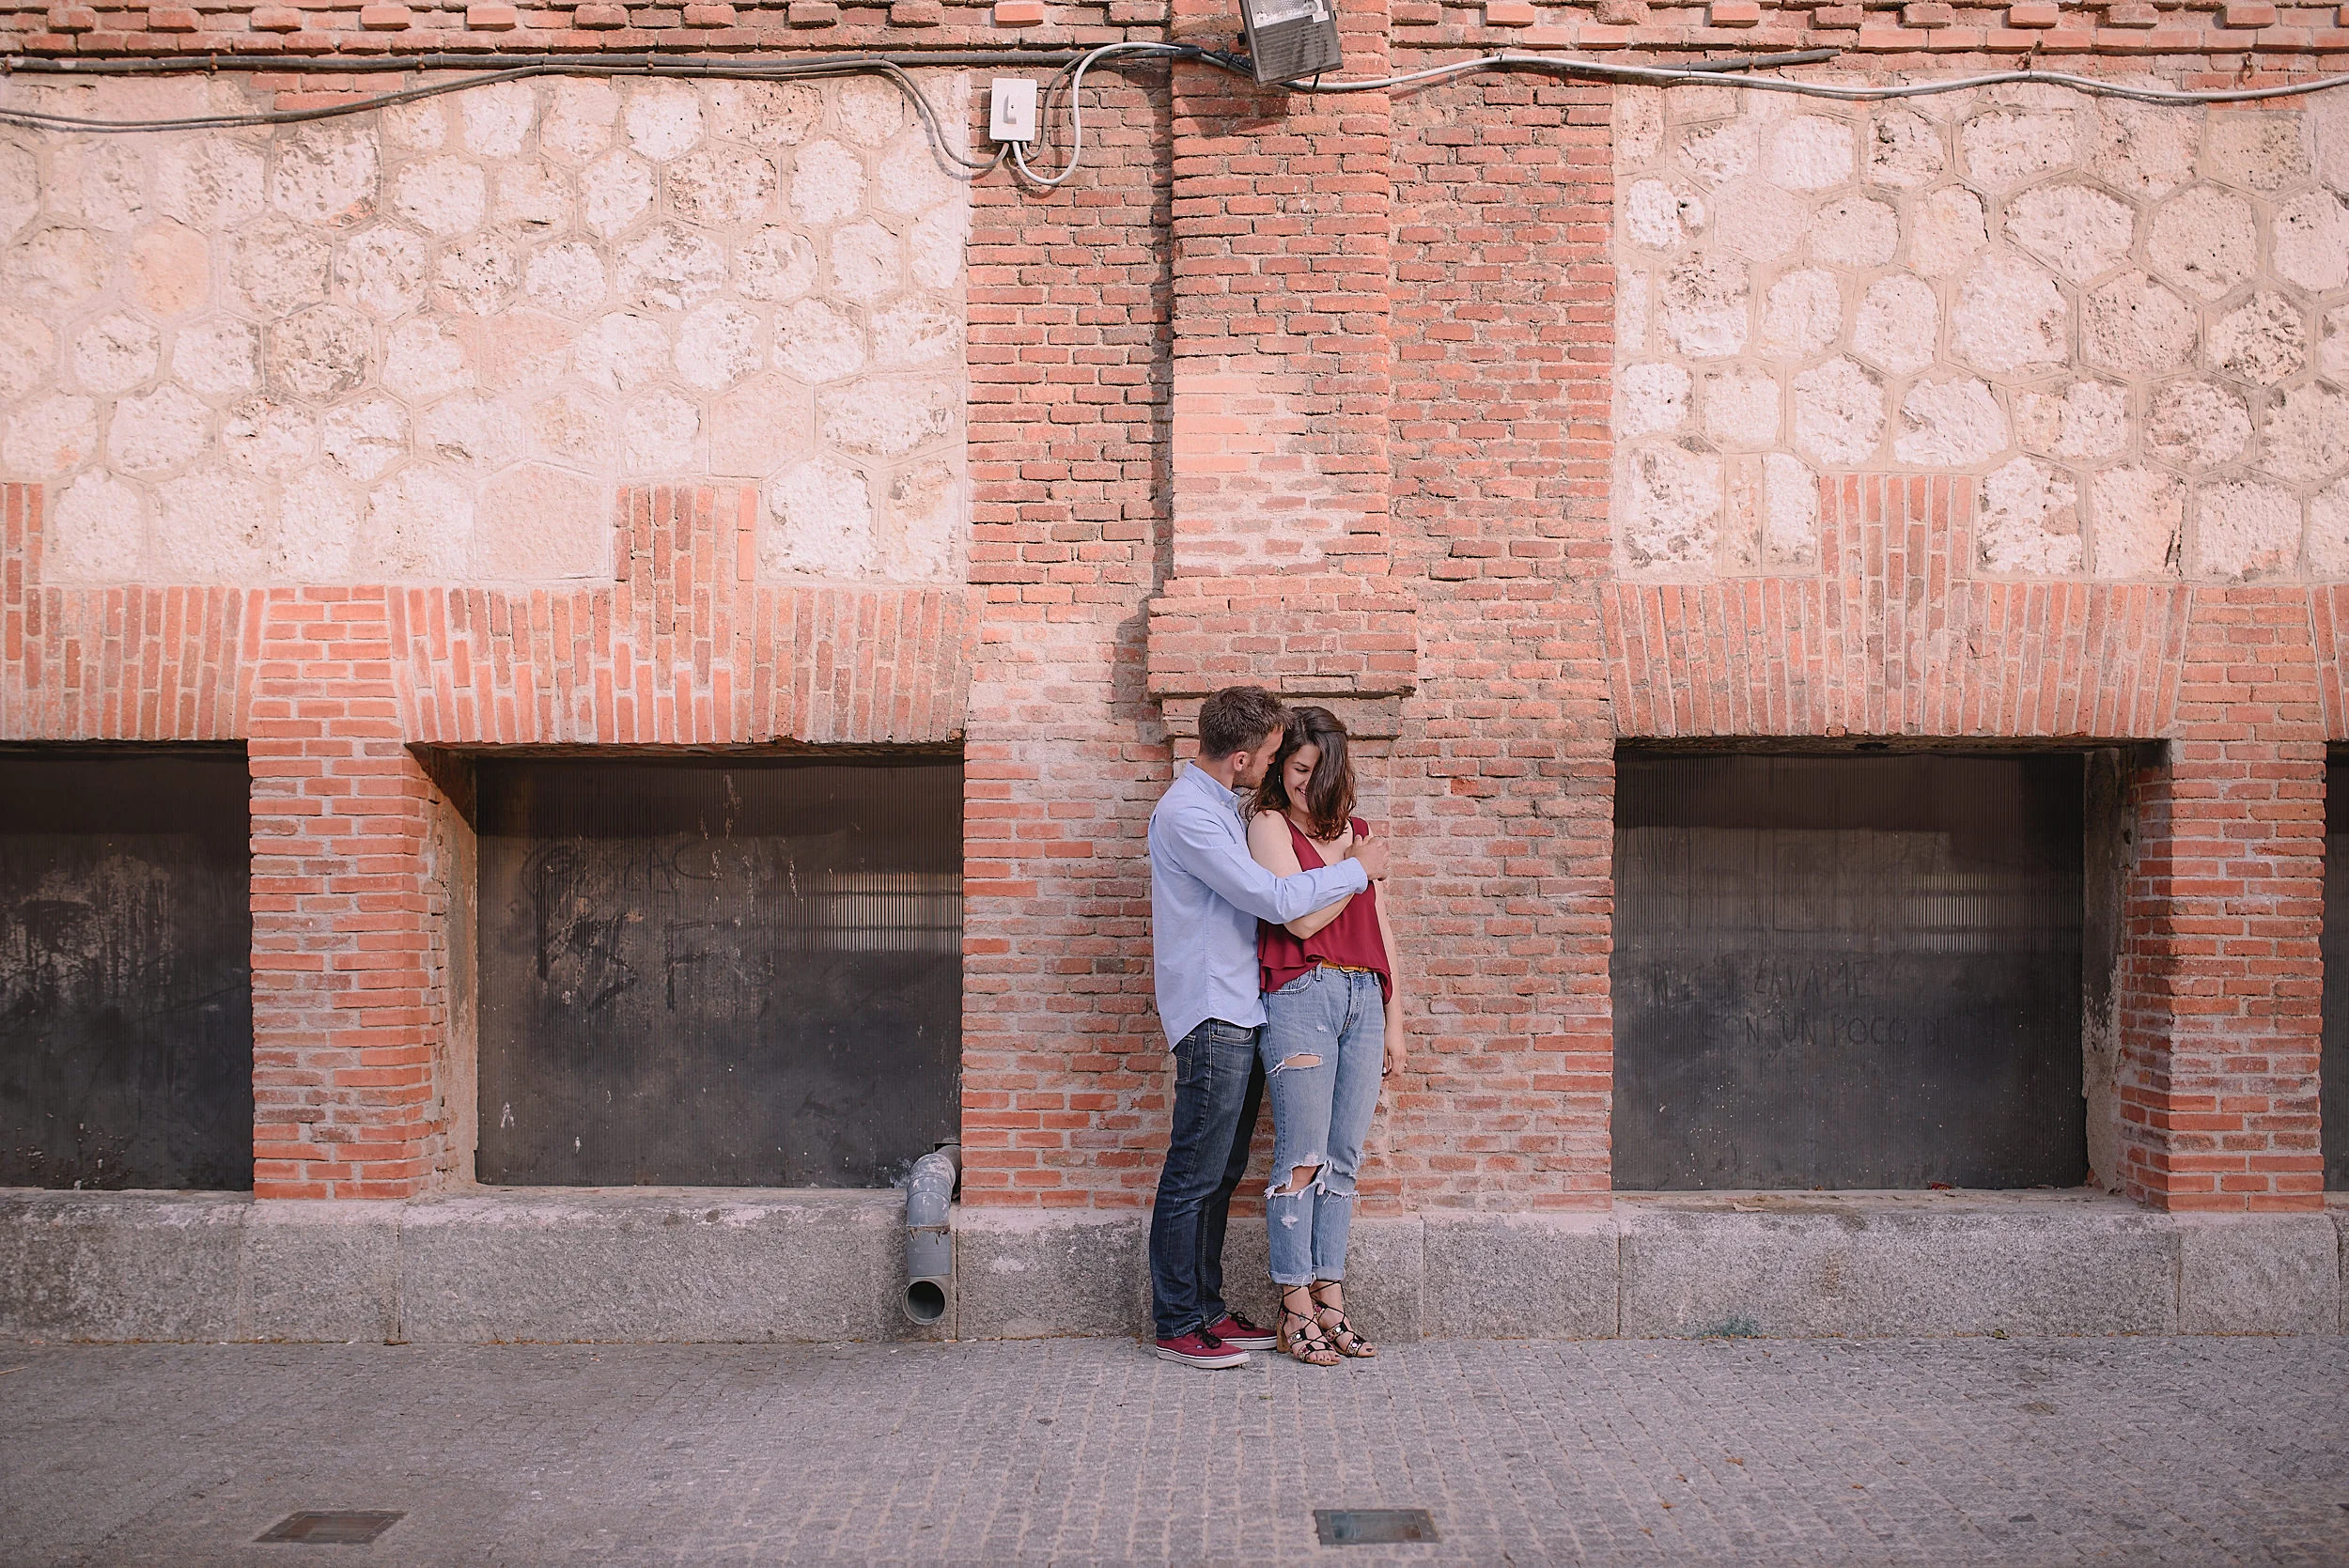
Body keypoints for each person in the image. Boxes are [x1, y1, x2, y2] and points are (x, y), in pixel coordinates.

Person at [1146, 686, 1391, 1369]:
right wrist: (1356, 869)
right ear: (1244, 757)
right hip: (1212, 1011)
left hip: (1242, 1008)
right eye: (1274, 755)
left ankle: (1207, 1309)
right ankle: (1177, 1320)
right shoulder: (1189, 815)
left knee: (1221, 1171)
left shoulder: (1225, 807)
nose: (1278, 767)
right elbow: (1278, 901)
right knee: (1194, 1172)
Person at [1245, 706, 1402, 1367]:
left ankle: (1330, 1295)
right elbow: (1301, 921)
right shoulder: (1268, 824)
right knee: (1302, 1156)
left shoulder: (1359, 833)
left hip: (1364, 996)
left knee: (1343, 1157)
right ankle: (1293, 1303)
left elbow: (1382, 926)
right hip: (1301, 993)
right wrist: (1356, 869)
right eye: (1296, 768)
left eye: (1315, 770)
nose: (1304, 782)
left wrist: (1397, 1019)